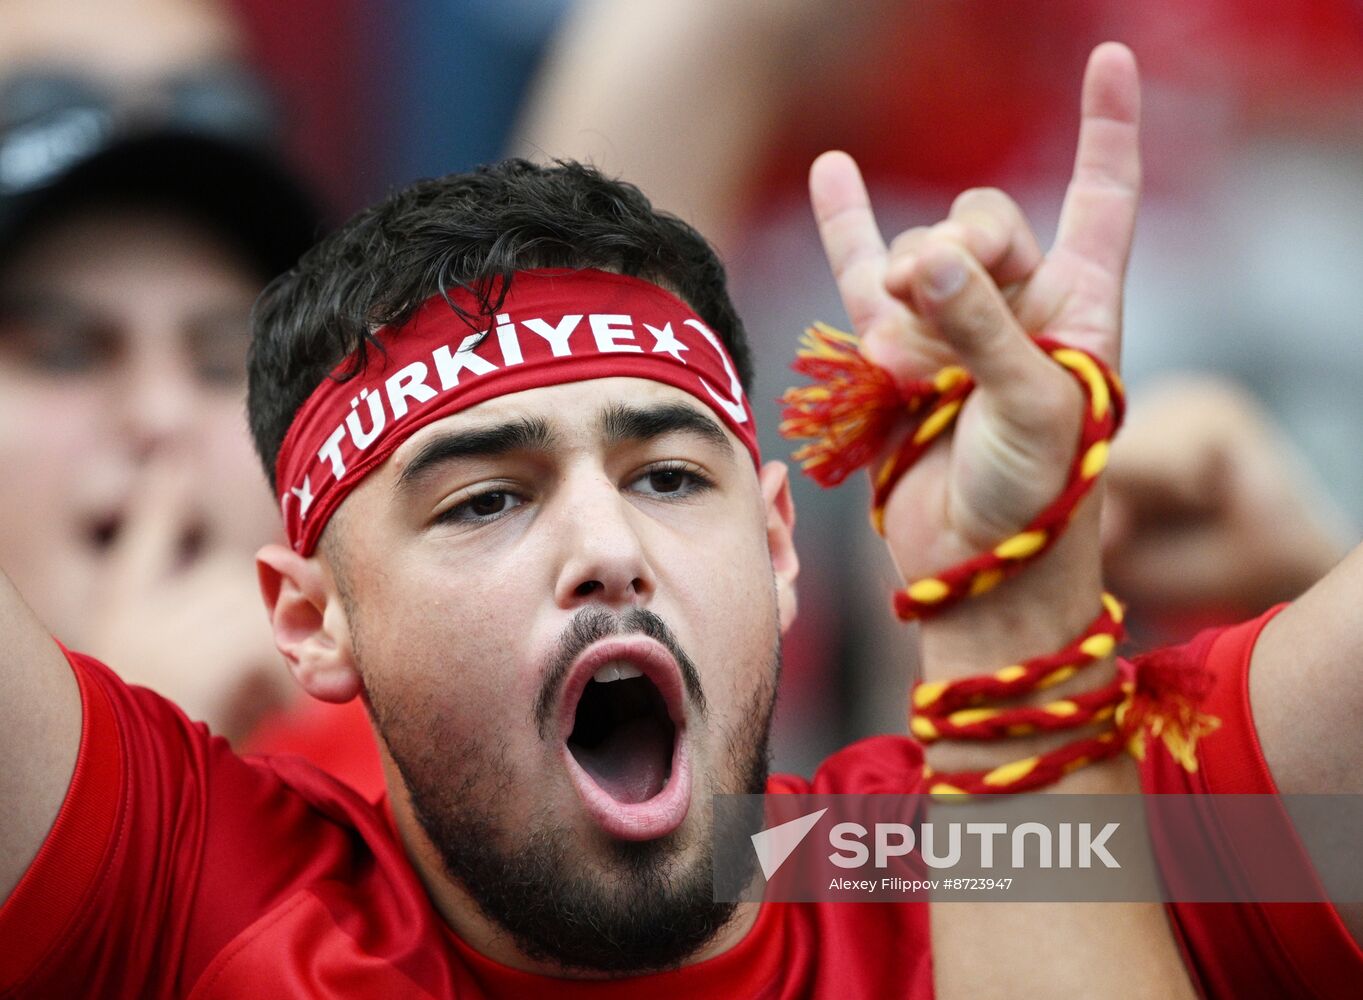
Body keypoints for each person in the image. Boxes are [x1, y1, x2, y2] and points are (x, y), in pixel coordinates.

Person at [1, 43, 1357, 997]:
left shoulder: (908, 859)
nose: (610, 549)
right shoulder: (182, 879)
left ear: (779, 546)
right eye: (484, 500)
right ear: (312, 618)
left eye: (668, 476)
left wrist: (1015, 635)